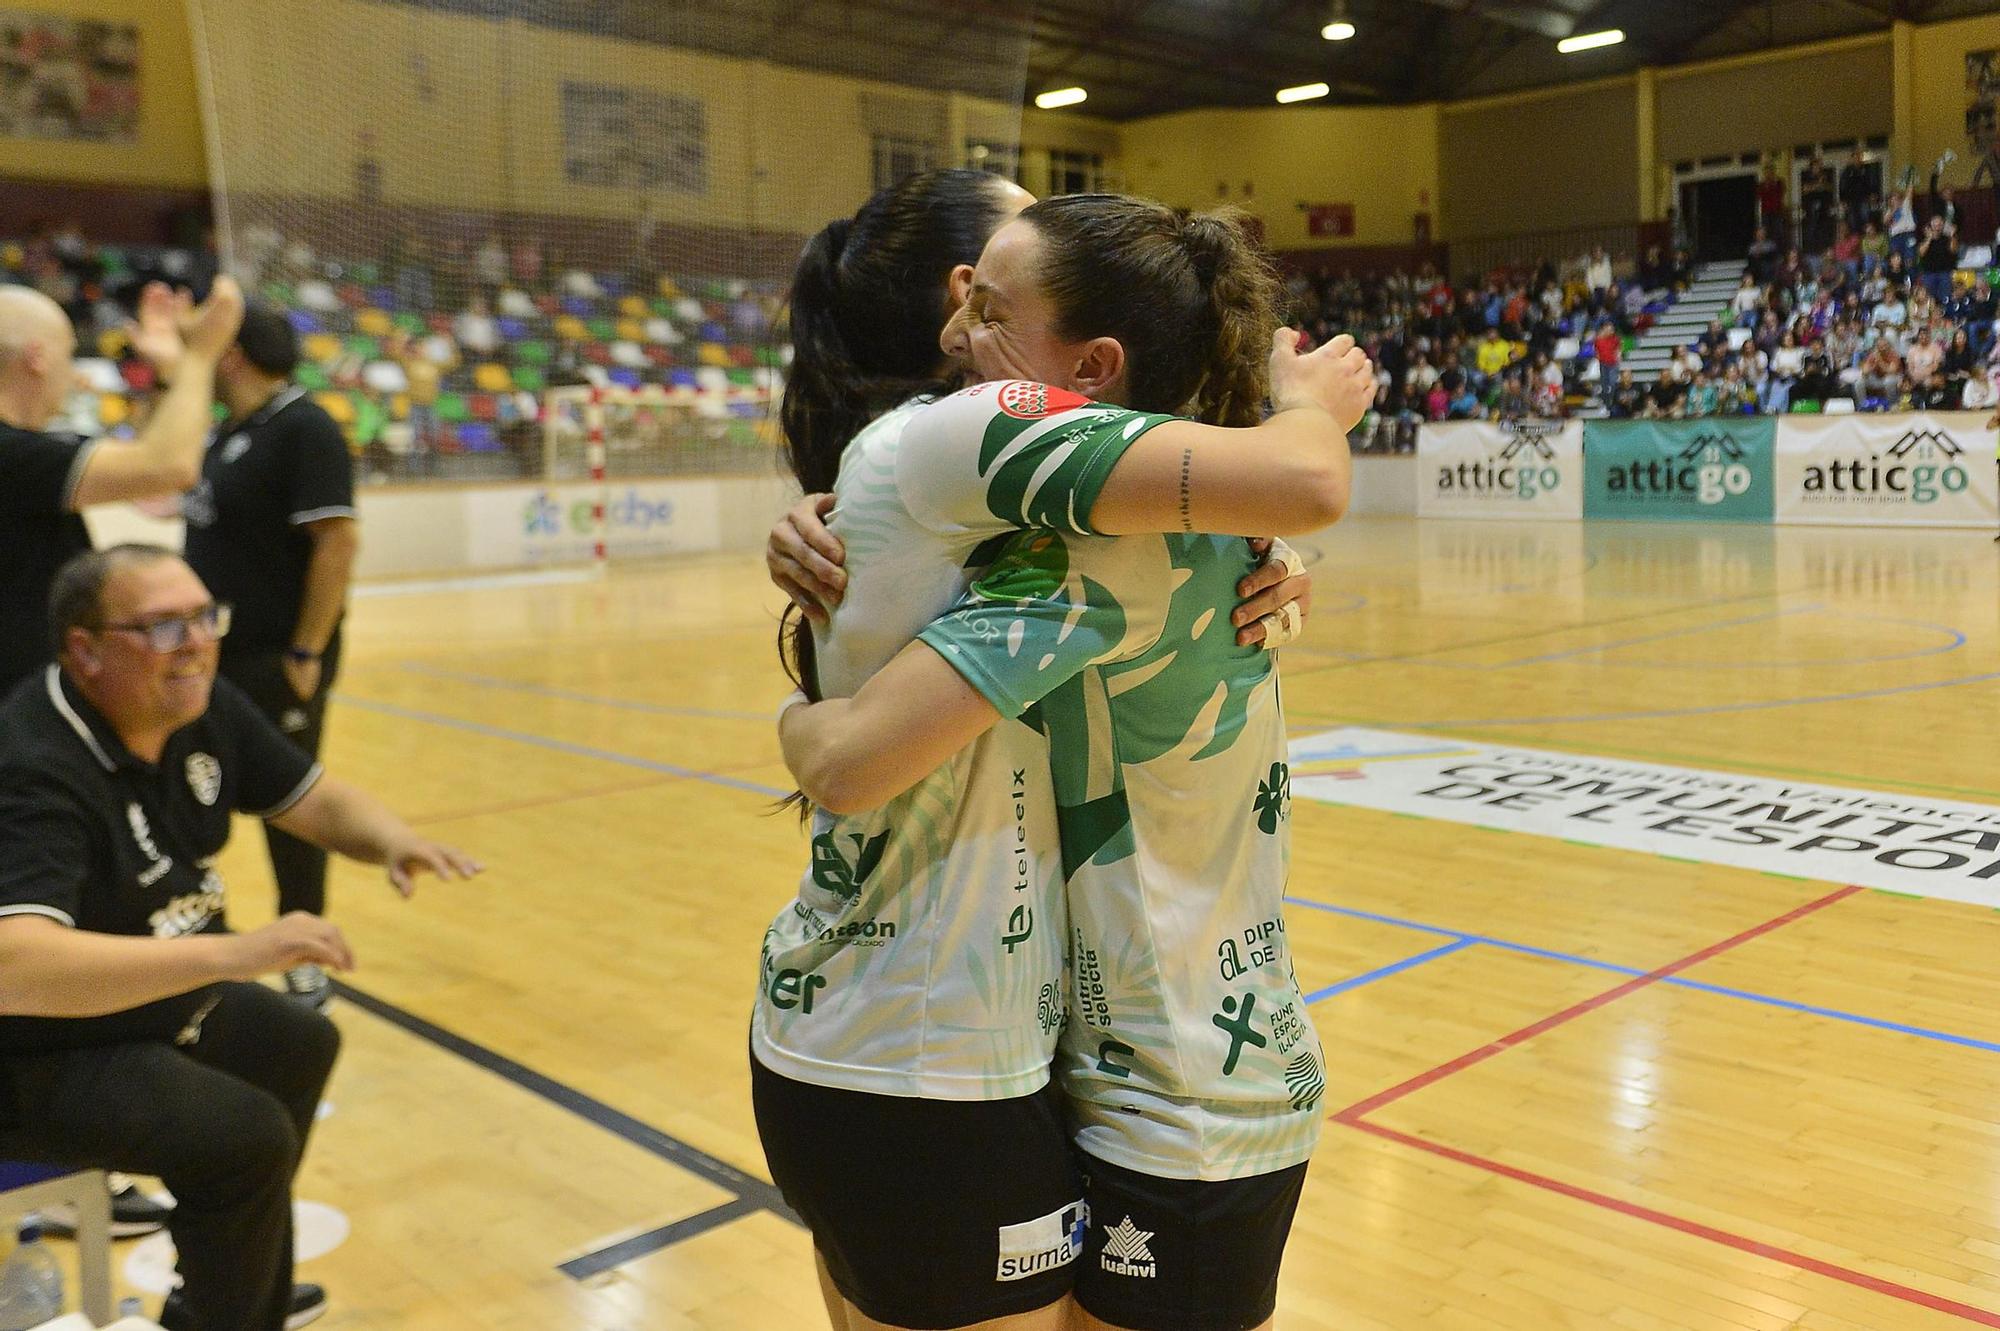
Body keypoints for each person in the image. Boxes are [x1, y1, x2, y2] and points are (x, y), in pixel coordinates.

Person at [768, 193, 1371, 1331]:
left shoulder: (1065, 519)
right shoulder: (1002, 480)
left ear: (1093, 365)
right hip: (955, 1058)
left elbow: (845, 741)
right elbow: (846, 757)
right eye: (964, 293)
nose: (962, 326)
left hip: (1117, 1073)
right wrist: (1303, 412)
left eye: (988, 305)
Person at [0, 545, 480, 1331]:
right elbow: (14, 967)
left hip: (140, 1004)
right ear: (84, 649)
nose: (194, 641)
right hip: (34, 1046)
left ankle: (226, 1287)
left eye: (202, 616)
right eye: (160, 625)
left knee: (297, 1041)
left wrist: (391, 839)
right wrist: (239, 950)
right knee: (243, 1136)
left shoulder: (194, 703)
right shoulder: (32, 765)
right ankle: (237, 1301)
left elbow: (309, 795)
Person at [179, 306, 360, 1007]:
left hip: (276, 656)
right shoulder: (233, 431)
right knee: (191, 786)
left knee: (289, 805)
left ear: (232, 355)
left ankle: (305, 950)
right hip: (210, 655)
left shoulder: (304, 428)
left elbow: (337, 543)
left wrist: (306, 650)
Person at [0, 278, 244, 693]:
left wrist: (168, 369)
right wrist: (201, 356)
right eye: (70, 354)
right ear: (37, 357)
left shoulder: (26, 449)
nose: (76, 374)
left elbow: (151, 477)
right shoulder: (10, 454)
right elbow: (168, 468)